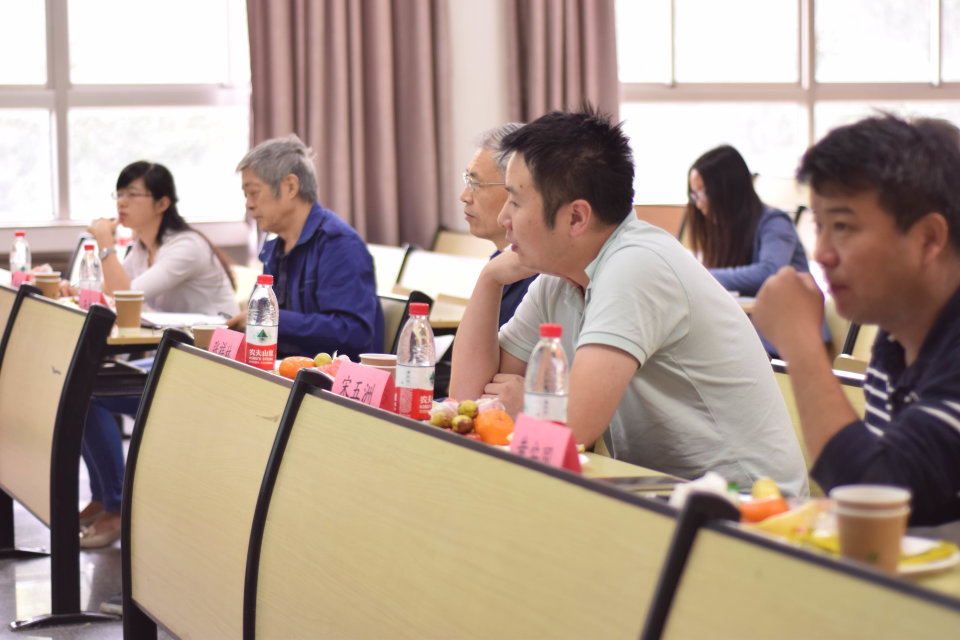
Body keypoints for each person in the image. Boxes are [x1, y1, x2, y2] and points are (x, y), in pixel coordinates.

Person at [449, 108, 808, 496]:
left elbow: (574, 428)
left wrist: (526, 406)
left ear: (576, 218)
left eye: (516, 202)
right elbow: (467, 399)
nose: (504, 217)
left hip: (748, 505)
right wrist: (489, 280)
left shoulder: (636, 265)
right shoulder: (559, 279)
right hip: (661, 493)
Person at [753, 114, 960, 525]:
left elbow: (879, 496)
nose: (822, 254)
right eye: (820, 226)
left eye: (843, 226)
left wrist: (801, 344)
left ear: (928, 239)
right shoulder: (895, 339)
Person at [77, 161, 239, 547]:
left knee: (91, 393)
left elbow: (124, 298)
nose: (122, 202)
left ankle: (117, 507)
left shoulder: (186, 246)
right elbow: (113, 297)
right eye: (119, 194)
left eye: (132, 194)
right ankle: (104, 497)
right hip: (174, 357)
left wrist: (105, 244)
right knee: (81, 386)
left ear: (162, 203)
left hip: (214, 366)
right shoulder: (140, 247)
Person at [226, 135, 381, 360]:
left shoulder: (339, 244)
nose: (248, 204)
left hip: (329, 377)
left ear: (290, 187)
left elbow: (353, 331)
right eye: (246, 195)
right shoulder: (275, 249)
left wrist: (273, 320)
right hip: (283, 370)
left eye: (254, 193)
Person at [686, 145, 830, 353]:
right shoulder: (724, 231)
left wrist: (704, 275)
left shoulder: (775, 222)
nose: (698, 204)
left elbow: (769, 272)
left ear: (729, 190)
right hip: (760, 336)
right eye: (694, 194)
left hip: (796, 339)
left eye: (702, 193)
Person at [460, 123, 537, 327]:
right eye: (467, 180)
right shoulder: (498, 260)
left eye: (476, 183)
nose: (464, 196)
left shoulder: (543, 275)